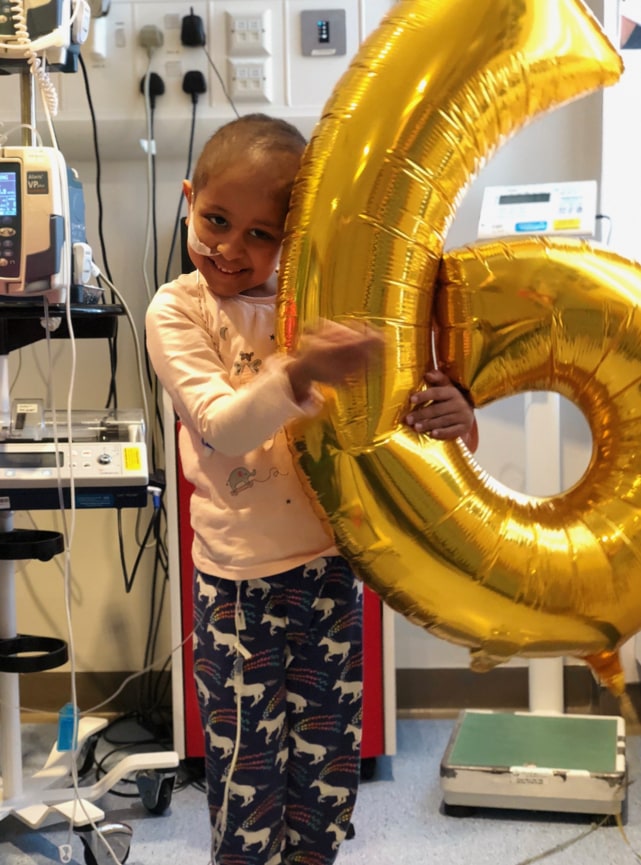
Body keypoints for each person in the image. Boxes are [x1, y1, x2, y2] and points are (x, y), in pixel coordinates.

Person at [145, 113, 477, 865]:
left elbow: (399, 427)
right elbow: (221, 424)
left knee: (327, 776)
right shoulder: (179, 309)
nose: (230, 247)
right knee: (246, 781)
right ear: (189, 198)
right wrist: (296, 372)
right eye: (216, 220)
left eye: (261, 234)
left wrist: (454, 412)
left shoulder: (317, 306)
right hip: (235, 587)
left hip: (329, 571)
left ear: (294, 237)